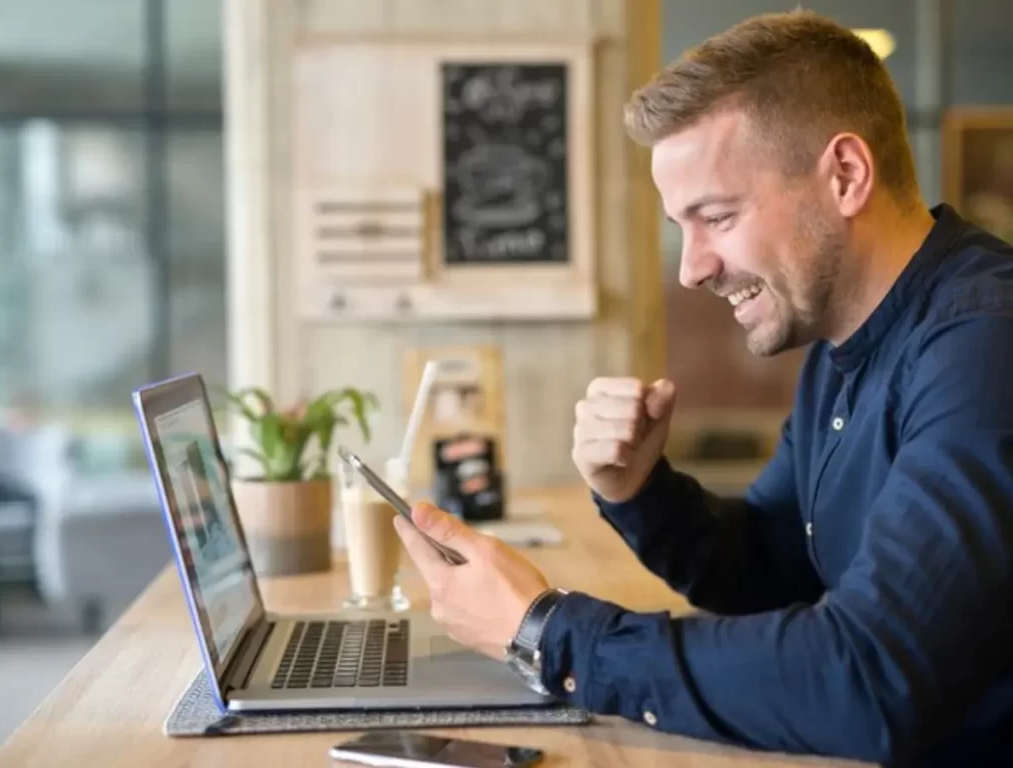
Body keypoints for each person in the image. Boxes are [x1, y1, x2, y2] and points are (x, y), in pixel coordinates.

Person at [393, 10, 1013, 768]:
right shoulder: (841, 341)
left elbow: (868, 677)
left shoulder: (987, 344)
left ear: (845, 175)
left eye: (715, 217)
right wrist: (640, 492)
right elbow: (770, 567)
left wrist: (548, 632)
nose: (691, 268)